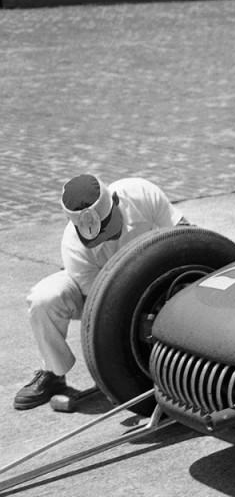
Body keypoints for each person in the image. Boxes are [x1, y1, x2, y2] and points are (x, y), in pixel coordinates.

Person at [16, 175, 188, 410]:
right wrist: (116, 375)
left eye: (107, 229)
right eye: (94, 238)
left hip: (156, 273)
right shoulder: (72, 245)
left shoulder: (140, 193)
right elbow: (101, 309)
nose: (102, 238)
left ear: (116, 201)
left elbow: (186, 235)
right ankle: (54, 373)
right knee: (44, 298)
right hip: (103, 288)